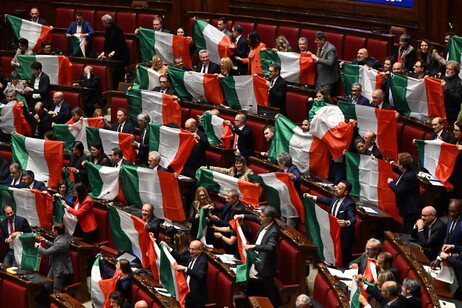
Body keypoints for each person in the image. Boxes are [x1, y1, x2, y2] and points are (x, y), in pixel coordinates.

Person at [305, 181, 356, 266]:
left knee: (342, 261)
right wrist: (312, 197)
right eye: (337, 187)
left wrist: (346, 222)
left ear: (346, 192)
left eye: (339, 188)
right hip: (332, 233)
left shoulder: (349, 204)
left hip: (343, 238)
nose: (336, 189)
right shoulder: (335, 198)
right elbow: (327, 201)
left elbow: (353, 218)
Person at [237, 206, 281, 306]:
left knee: (269, 290)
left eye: (262, 216)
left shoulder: (274, 231)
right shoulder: (265, 222)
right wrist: (242, 216)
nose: (259, 218)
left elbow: (270, 248)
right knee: (258, 288)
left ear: (269, 218)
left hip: (266, 266)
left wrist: (254, 247)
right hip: (257, 260)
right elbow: (254, 218)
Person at [387, 153, 424, 233]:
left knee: (409, 230)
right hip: (407, 207)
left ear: (402, 165)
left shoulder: (409, 176)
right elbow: (402, 174)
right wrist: (395, 167)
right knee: (406, 228)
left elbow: (398, 190)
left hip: (411, 209)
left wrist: (391, 183)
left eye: (398, 162)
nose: (396, 163)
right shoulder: (408, 172)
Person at [35, 223, 73, 293]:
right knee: (47, 285)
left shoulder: (61, 242)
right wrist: (45, 241)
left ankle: (55, 303)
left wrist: (38, 247)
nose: (51, 230)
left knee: (56, 290)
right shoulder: (62, 238)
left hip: (60, 269)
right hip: (54, 266)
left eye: (52, 229)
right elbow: (54, 246)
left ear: (56, 231)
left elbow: (47, 252)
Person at [172, 240, 208, 308]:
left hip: (196, 298)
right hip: (187, 293)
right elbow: (180, 258)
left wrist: (186, 269)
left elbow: (200, 275)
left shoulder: (203, 261)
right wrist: (169, 249)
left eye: (193, 249)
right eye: (190, 248)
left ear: (200, 250)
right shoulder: (192, 256)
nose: (190, 251)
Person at [99, 14, 129, 89]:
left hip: (121, 54)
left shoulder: (117, 29)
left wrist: (114, 51)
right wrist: (103, 51)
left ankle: (119, 89)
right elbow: (106, 41)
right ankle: (113, 88)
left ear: (107, 22)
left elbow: (120, 43)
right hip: (112, 53)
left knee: (119, 73)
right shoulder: (107, 29)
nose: (102, 24)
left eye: (103, 22)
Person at [430, 199, 462, 268]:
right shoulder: (450, 219)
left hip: (458, 262)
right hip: (447, 261)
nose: (451, 214)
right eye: (450, 211)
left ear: (460, 210)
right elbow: (446, 241)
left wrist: (451, 253)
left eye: (454, 211)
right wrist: (438, 258)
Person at [442, 61, 462, 125]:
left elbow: (458, 98)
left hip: (450, 114)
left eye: (450, 69)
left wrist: (446, 89)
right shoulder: (443, 78)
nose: (447, 71)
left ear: (456, 71)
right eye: (446, 68)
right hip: (440, 109)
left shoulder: (459, 83)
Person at [448, 122, 462, 197]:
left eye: (457, 130)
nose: (454, 132)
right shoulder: (453, 141)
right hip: (452, 175)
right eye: (454, 130)